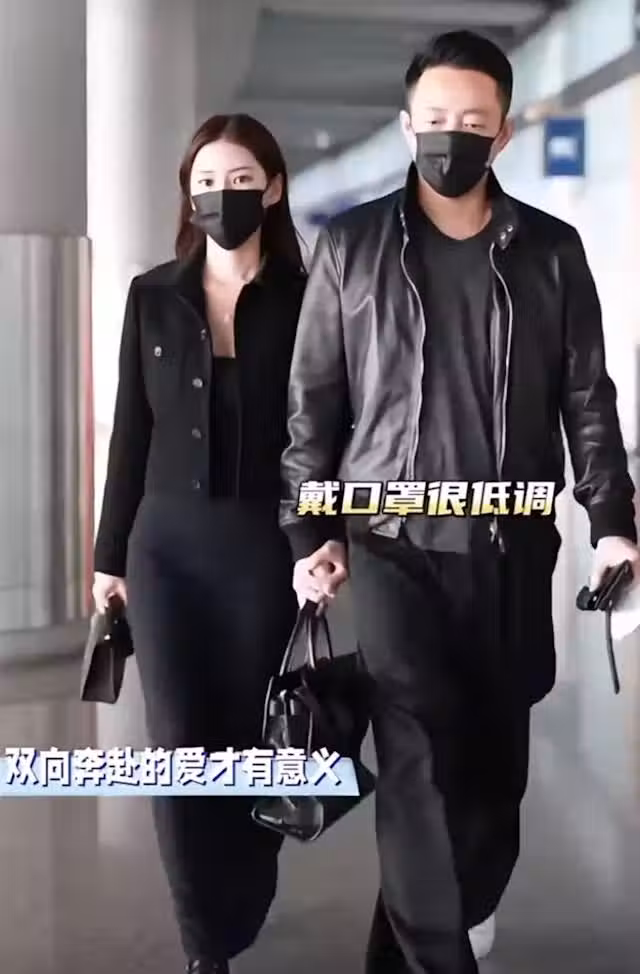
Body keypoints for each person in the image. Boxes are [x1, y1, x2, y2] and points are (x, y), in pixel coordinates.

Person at [280, 29, 638, 974]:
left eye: (472, 122)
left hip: (510, 552)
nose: (452, 136)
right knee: (420, 761)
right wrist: (311, 531)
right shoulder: (352, 248)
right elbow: (314, 405)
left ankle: (410, 942)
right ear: (407, 126)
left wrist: (612, 525)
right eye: (436, 118)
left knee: (489, 789)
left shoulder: (550, 251)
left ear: (503, 133)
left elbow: (586, 399)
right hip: (391, 545)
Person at [93, 113, 306, 974]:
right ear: (188, 197)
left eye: (241, 181)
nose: (223, 196)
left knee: (250, 737)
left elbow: (327, 430)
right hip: (166, 551)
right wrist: (109, 557)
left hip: (265, 546)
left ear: (274, 189)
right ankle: (203, 943)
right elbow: (129, 432)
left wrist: (323, 538)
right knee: (179, 742)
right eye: (207, 183)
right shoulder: (153, 294)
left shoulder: (307, 297)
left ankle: (242, 893)